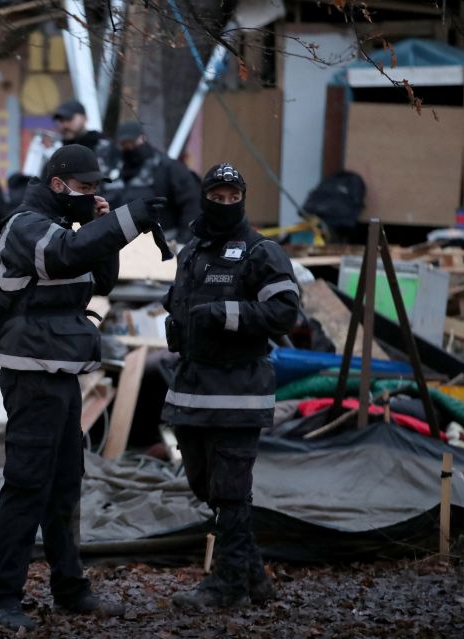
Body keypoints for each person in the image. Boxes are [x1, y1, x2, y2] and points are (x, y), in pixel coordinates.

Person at [0, 144, 165, 633]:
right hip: (31, 370)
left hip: (63, 369)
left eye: (96, 189)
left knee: (65, 485)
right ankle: (3, 597)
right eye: (85, 189)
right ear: (59, 185)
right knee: (26, 484)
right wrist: (121, 222)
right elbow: (62, 257)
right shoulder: (26, 226)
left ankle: (70, 588)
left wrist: (96, 227)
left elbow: (100, 279)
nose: (92, 195)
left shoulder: (68, 227)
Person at [161, 162, 300, 609]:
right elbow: (179, 301)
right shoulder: (191, 251)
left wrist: (227, 314)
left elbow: (285, 315)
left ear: (242, 199)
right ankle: (253, 578)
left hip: (239, 390)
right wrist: (176, 325)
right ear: (204, 197)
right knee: (205, 486)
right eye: (216, 197)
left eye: (232, 198)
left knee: (230, 492)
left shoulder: (263, 252)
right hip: (191, 389)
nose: (224, 204)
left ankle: (226, 587)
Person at [103, 121, 202, 241]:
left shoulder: (167, 168)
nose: (129, 148)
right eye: (124, 144)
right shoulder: (112, 170)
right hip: (120, 244)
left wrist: (184, 240)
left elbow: (191, 204)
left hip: (163, 242)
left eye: (132, 143)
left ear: (143, 138)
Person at [51, 99, 114, 174]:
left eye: (69, 119)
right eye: (61, 120)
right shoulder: (56, 149)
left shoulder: (101, 144)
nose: (65, 125)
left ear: (85, 118)